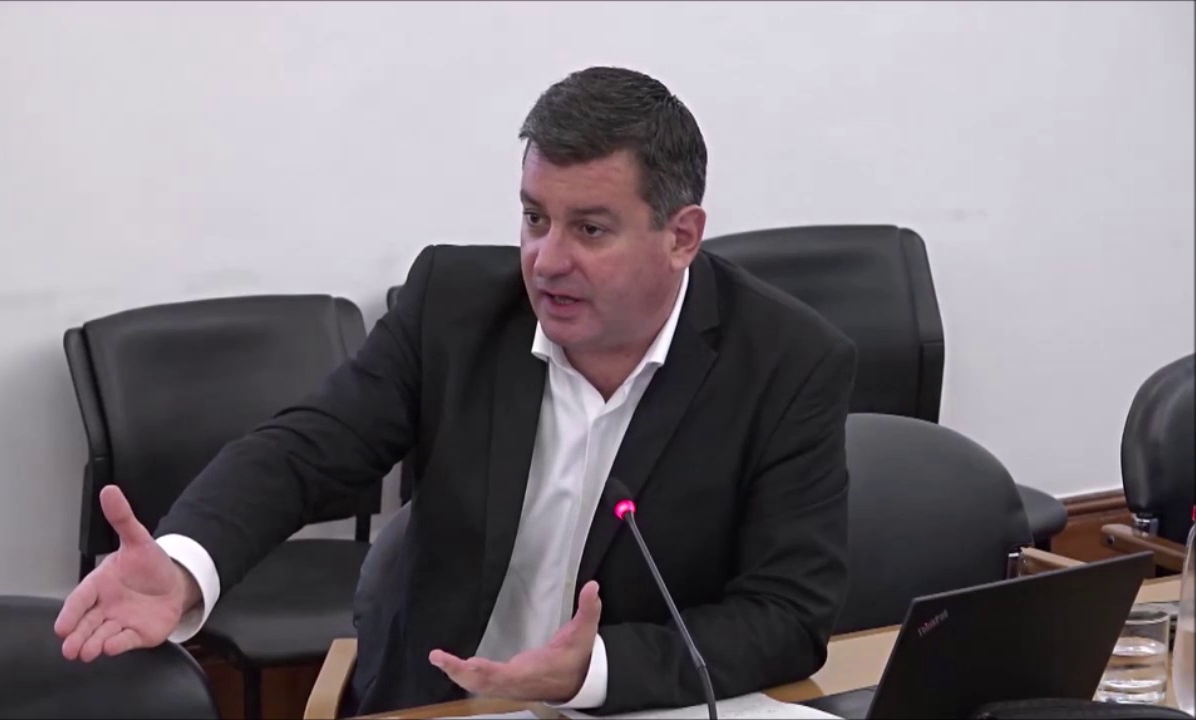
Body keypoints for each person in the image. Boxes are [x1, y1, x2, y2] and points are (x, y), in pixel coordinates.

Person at [54, 66, 857, 716]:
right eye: (534, 219)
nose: (546, 261)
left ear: (681, 236)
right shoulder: (454, 307)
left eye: (590, 229)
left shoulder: (787, 361)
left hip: (632, 705)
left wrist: (596, 670)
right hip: (444, 704)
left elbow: (786, 616)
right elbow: (305, 450)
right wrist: (187, 564)